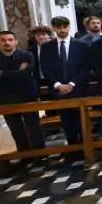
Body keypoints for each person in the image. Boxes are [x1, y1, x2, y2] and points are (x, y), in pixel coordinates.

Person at [0, 31, 44, 151]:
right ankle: (24, 154)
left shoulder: (26, 55)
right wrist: (17, 72)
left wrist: (2, 73)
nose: (7, 43)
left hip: (27, 97)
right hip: (5, 99)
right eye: (3, 40)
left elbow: (27, 73)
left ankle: (41, 153)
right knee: (16, 130)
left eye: (10, 40)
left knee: (34, 128)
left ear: (16, 42)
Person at [40, 16, 90, 146]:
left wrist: (72, 83)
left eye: (65, 27)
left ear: (69, 26)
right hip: (58, 90)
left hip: (78, 88)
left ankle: (85, 145)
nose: (62, 30)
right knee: (66, 120)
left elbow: (85, 67)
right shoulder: (46, 47)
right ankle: (73, 146)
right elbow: (45, 68)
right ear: (54, 28)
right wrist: (58, 85)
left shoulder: (81, 45)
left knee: (81, 120)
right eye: (58, 27)